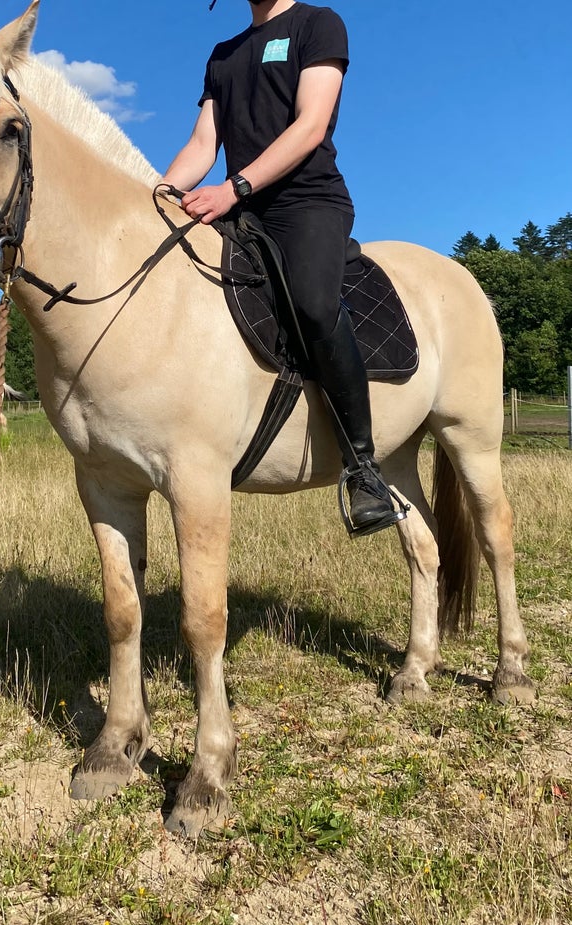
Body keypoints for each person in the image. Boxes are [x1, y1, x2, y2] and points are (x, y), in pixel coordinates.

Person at [162, 0, 403, 536]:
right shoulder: (223, 55)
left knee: (314, 304)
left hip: (306, 201)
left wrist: (234, 187)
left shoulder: (320, 24)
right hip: (242, 210)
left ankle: (363, 469)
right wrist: (156, 195)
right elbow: (204, 144)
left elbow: (310, 125)